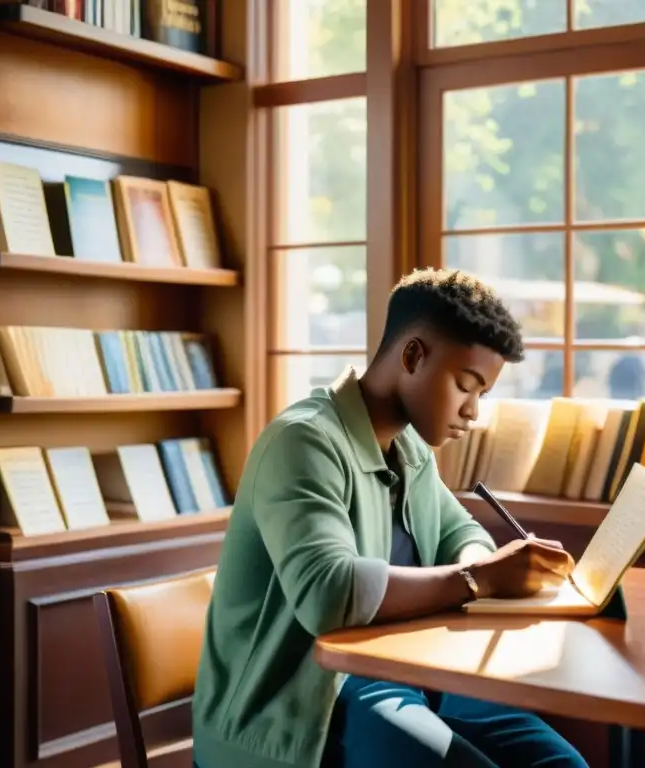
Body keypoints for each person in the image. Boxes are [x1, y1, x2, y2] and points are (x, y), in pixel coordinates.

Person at [192, 268, 586, 768]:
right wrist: (479, 578)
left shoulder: (408, 447)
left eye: (482, 395)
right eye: (466, 386)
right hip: (309, 702)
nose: (472, 413)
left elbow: (457, 530)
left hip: (412, 671)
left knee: (559, 763)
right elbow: (328, 593)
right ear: (413, 356)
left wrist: (484, 565)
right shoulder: (303, 442)